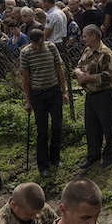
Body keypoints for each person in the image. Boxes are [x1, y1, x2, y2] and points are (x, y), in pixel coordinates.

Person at [20, 27, 68, 178]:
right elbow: (25, 78)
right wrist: (28, 101)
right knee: (42, 131)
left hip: (54, 91)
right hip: (37, 94)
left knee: (57, 126)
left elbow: (59, 69)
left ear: (44, 39)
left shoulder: (52, 48)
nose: (37, 47)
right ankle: (43, 165)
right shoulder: (25, 53)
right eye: (35, 45)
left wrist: (64, 91)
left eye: (40, 44)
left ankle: (55, 158)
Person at [74, 24, 112, 170]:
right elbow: (78, 66)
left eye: (85, 36)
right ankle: (93, 155)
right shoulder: (87, 50)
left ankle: (109, 155)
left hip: (104, 94)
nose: (83, 39)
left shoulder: (105, 53)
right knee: (91, 126)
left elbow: (108, 76)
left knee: (107, 125)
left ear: (93, 36)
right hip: (91, 94)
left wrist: (88, 78)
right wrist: (79, 74)